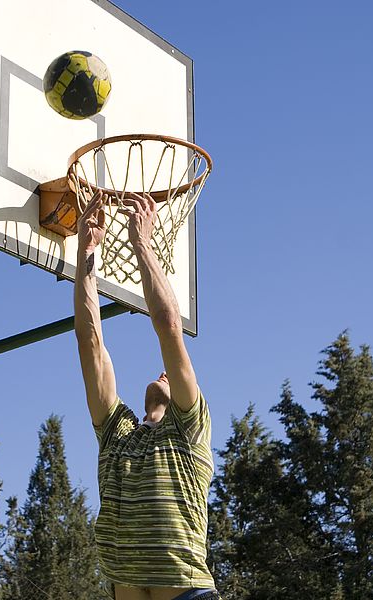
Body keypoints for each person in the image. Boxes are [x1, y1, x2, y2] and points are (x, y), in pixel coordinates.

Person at [74, 190, 221, 600]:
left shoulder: (189, 428)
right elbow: (90, 343)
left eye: (170, 377)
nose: (163, 373)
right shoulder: (117, 433)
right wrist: (86, 255)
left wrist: (142, 243)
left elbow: (169, 323)